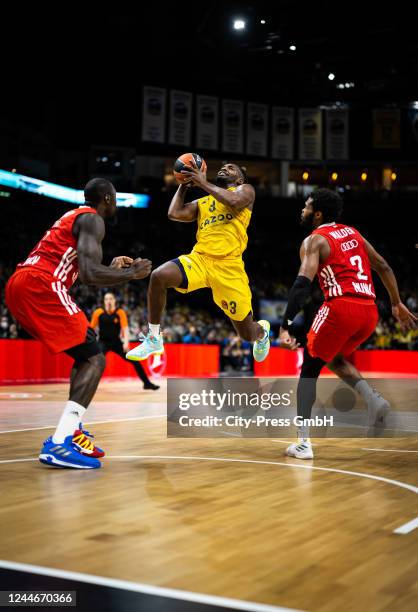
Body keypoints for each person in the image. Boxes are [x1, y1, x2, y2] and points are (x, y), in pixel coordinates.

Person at [5, 178, 152, 469]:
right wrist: (131, 274)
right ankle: (59, 443)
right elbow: (88, 275)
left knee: (85, 353)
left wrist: (110, 269)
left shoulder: (74, 217)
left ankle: (72, 432)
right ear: (108, 198)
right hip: (41, 284)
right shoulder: (93, 220)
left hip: (20, 284)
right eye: (116, 199)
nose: (117, 204)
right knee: (96, 359)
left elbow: (86, 269)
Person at [279, 188, 416, 459]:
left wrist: (285, 324)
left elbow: (302, 284)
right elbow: (384, 266)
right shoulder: (353, 233)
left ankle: (303, 443)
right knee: (334, 358)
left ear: (317, 213)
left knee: (309, 367)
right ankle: (374, 400)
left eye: (306, 206)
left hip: (340, 307)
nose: (302, 210)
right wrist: (396, 303)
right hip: (369, 311)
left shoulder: (314, 240)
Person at [126, 162, 270, 364]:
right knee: (159, 276)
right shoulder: (204, 202)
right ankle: (154, 338)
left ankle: (262, 334)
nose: (224, 169)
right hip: (200, 259)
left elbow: (235, 201)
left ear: (239, 178)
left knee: (247, 334)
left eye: (231, 168)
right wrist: (184, 185)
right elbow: (174, 213)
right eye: (223, 167)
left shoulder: (245, 190)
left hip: (229, 268)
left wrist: (202, 182)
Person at [90, 292, 159, 390]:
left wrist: (126, 343)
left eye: (110, 299)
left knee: (135, 361)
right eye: (106, 299)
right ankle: (90, 385)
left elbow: (125, 328)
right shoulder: (98, 312)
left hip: (116, 342)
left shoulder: (120, 312)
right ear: (104, 301)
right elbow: (91, 328)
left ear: (114, 301)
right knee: (96, 363)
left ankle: (147, 383)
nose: (108, 301)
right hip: (102, 342)